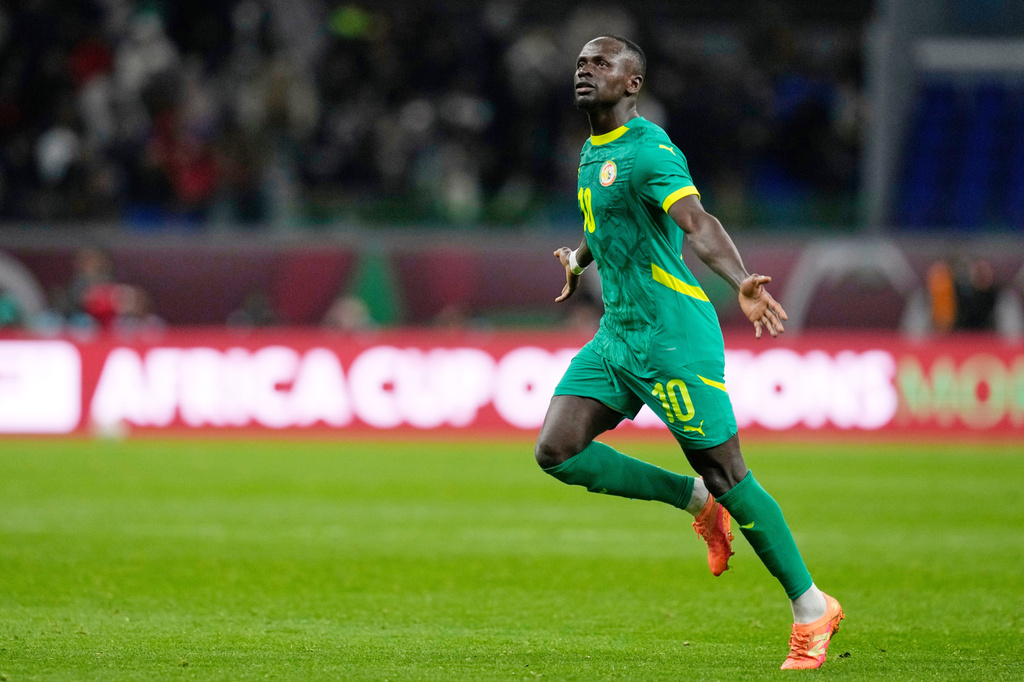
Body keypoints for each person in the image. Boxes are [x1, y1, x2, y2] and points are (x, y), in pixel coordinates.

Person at [535, 36, 844, 671]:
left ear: (632, 84)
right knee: (557, 451)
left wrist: (741, 282)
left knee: (730, 473)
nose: (585, 69)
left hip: (673, 337)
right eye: (581, 62)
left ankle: (813, 607)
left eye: (602, 62)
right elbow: (607, 224)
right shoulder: (591, 157)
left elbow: (696, 222)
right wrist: (579, 258)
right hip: (619, 334)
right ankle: (691, 499)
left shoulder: (650, 151)